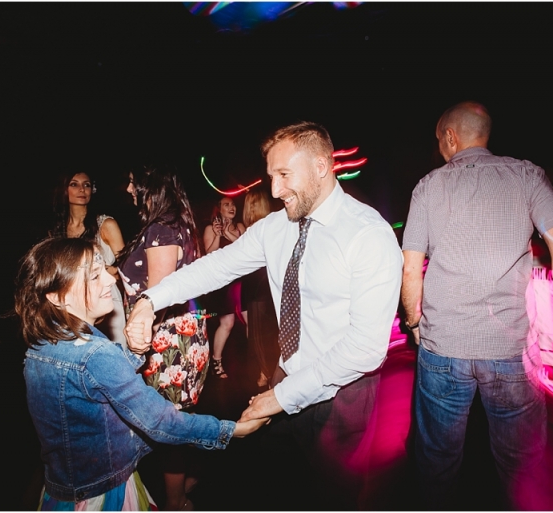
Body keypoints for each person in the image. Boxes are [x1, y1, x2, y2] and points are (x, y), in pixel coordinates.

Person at [125, 121, 403, 508]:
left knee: (333, 497)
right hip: (284, 372)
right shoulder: (276, 228)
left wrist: (280, 398)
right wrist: (150, 300)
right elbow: (215, 267)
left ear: (322, 166)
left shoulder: (367, 235)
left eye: (284, 175)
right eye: (271, 176)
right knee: (276, 486)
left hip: (342, 395)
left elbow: (366, 349)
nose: (274, 189)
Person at [401, 101, 553, 508]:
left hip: (444, 346)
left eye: (439, 141)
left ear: (450, 137)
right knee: (520, 465)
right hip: (513, 349)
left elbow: (411, 270)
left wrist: (414, 323)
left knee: (436, 463)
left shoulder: (429, 186)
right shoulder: (526, 175)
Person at [18, 237, 266, 510]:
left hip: (63, 491)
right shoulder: (96, 354)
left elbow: (91, 394)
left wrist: (135, 354)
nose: (111, 281)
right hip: (102, 496)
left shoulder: (41, 347)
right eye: (94, 276)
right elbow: (160, 422)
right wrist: (231, 430)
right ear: (57, 296)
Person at [118, 165, 208, 510]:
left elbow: (158, 295)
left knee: (167, 425)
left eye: (131, 181)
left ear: (148, 184)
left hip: (167, 341)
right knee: (173, 421)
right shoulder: (174, 223)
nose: (128, 189)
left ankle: (175, 503)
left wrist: (136, 349)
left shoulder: (161, 228)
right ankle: (183, 485)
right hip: (180, 335)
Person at [50, 170, 127, 344]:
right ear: (63, 189)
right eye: (74, 184)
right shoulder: (56, 229)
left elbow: (127, 267)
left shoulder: (105, 224)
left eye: (87, 185)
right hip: (71, 300)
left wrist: (102, 270)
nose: (82, 189)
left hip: (104, 297)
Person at [201, 197, 246, 379]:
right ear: (218, 209)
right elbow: (209, 254)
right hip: (222, 283)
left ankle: (259, 362)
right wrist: (219, 235)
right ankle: (216, 361)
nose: (231, 207)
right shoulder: (210, 229)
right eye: (226, 204)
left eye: (233, 204)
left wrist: (230, 235)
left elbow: (246, 251)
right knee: (227, 323)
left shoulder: (240, 227)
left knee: (254, 322)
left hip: (243, 281)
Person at [239, 187, 279, 389]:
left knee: (259, 334)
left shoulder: (259, 229)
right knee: (262, 333)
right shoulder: (269, 226)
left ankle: (268, 374)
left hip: (257, 287)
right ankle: (266, 372)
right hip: (260, 286)